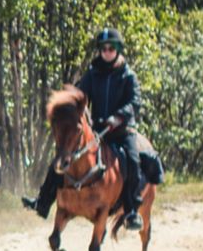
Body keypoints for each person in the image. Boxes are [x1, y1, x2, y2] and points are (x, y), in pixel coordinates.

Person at [23, 26, 145, 230]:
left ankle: (131, 210)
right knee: (61, 158)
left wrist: (119, 117)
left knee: (133, 161)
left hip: (121, 131)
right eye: (103, 48)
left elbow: (135, 102)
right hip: (97, 129)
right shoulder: (93, 73)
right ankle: (43, 201)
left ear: (118, 50)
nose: (107, 52)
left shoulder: (128, 76)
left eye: (111, 48)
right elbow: (79, 94)